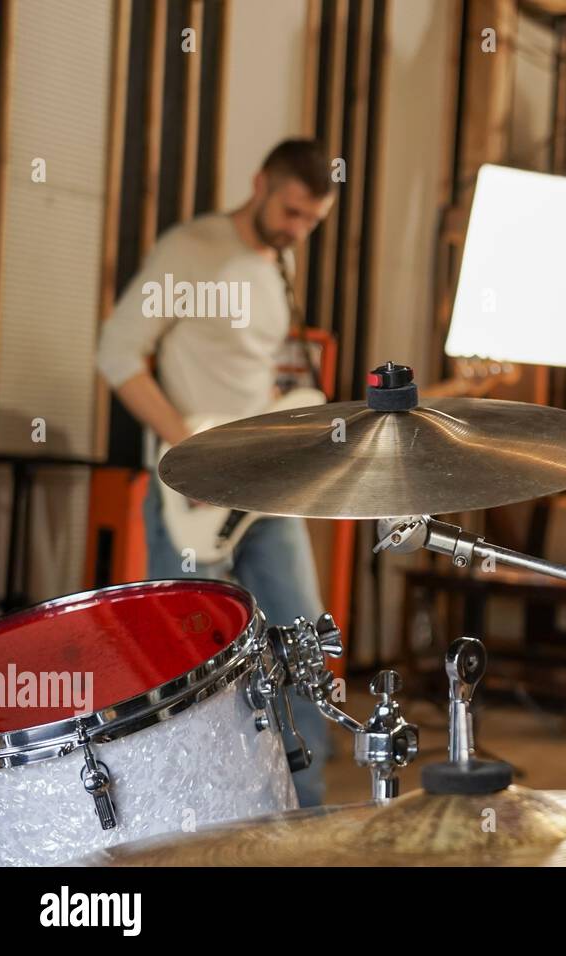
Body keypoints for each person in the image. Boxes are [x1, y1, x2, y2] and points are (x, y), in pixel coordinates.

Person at [96, 139, 337, 807]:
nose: (297, 230)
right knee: (184, 663)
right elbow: (118, 353)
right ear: (259, 182)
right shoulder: (192, 250)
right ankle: (187, 817)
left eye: (311, 221)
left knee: (304, 644)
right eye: (290, 212)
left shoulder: (276, 268)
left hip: (263, 488)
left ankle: (306, 816)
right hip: (193, 492)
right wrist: (190, 450)